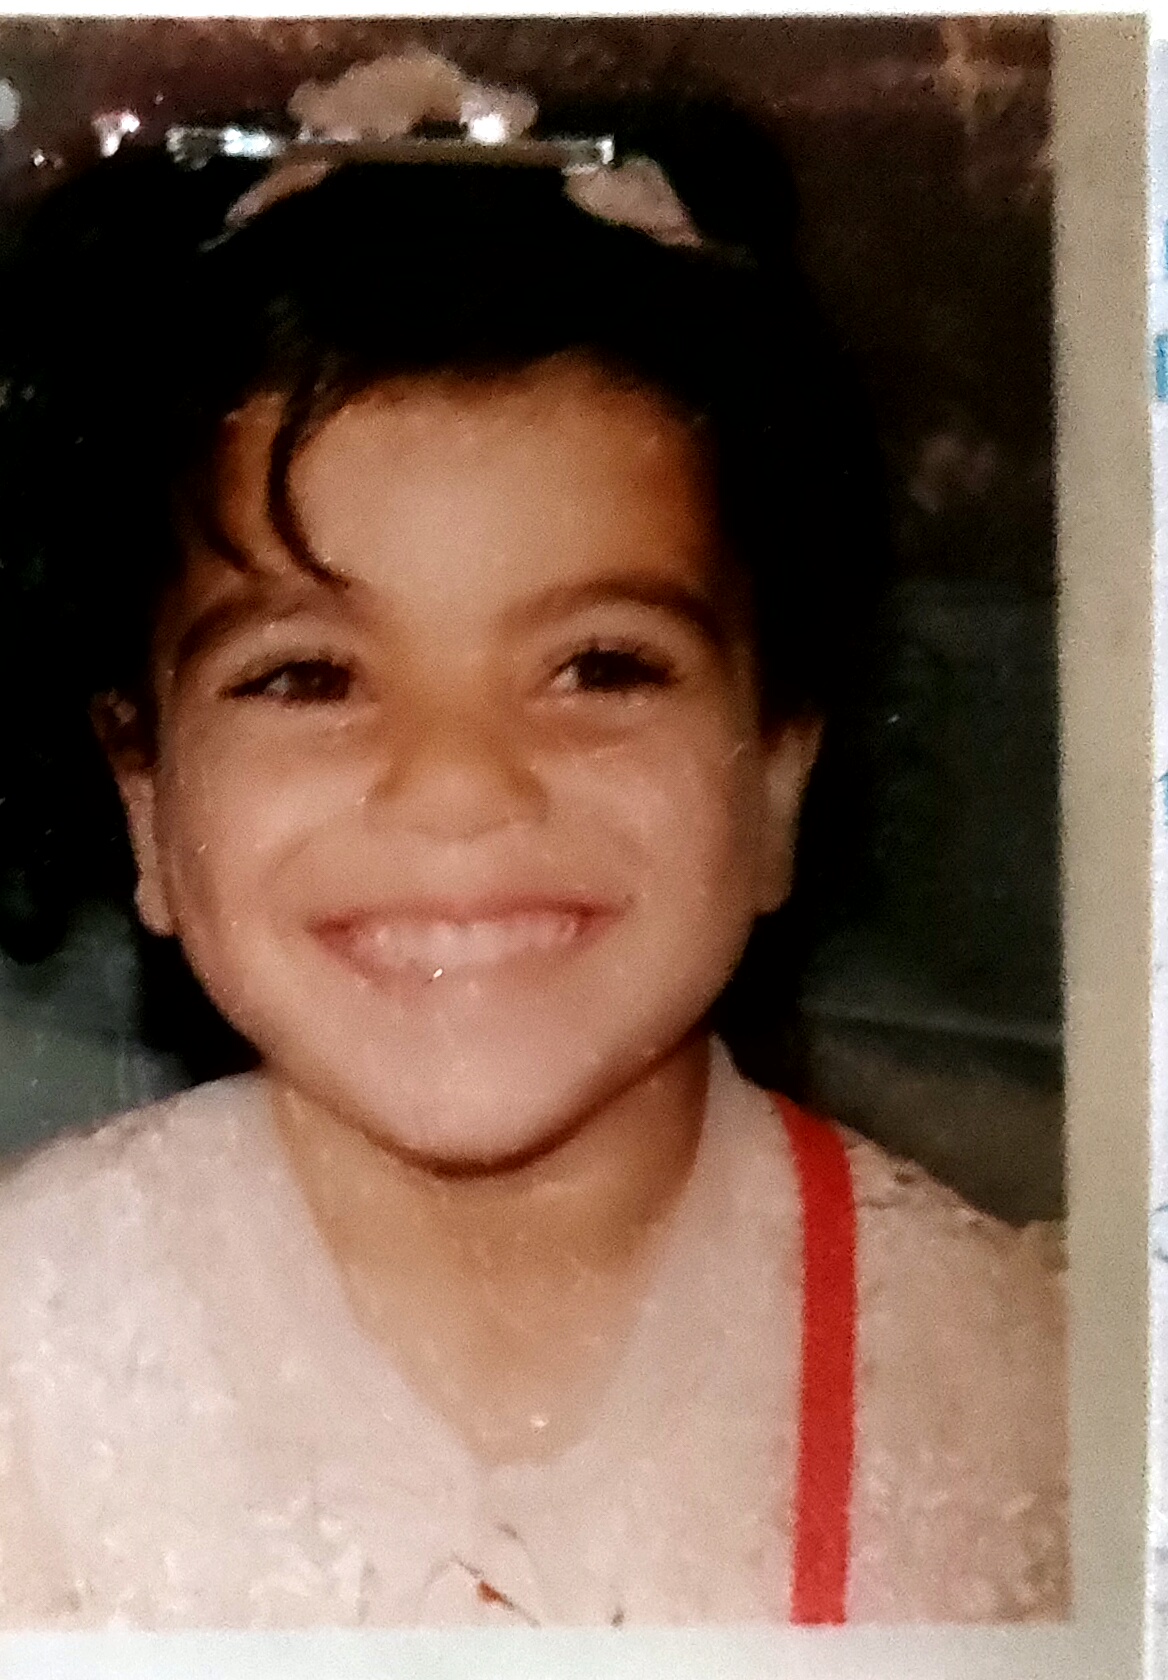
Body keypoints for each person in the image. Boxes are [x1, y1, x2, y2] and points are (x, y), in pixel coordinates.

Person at [0, 52, 1066, 1627]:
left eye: (601, 667)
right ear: (145, 797)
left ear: (779, 770)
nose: (459, 787)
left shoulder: (1029, 1395)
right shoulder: (29, 1369)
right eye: (308, 676)